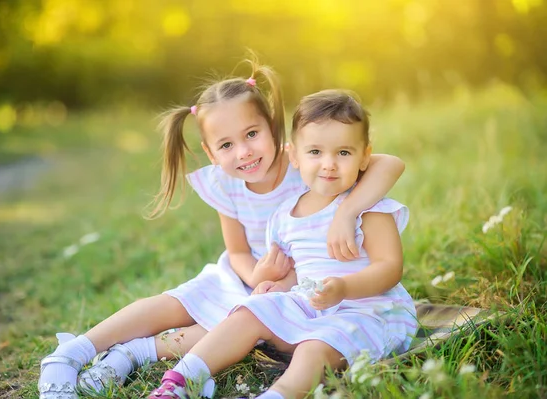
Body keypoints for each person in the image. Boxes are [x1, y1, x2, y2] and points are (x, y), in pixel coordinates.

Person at [37, 59, 406, 399]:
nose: (243, 152)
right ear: (211, 153)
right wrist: (259, 275)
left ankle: (130, 355)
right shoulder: (228, 182)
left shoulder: (311, 160)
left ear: (274, 130)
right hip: (251, 273)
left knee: (229, 325)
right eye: (226, 145)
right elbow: (238, 250)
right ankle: (73, 352)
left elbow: (387, 163)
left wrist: (348, 213)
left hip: (296, 284)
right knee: (174, 304)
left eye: (251, 134)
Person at [147, 89, 417, 399]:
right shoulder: (285, 215)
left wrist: (344, 289)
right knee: (250, 312)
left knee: (313, 348)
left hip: (368, 313)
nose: (329, 164)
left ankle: (279, 394)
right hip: (310, 307)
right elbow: (298, 270)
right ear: (295, 157)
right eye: (315, 152)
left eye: (343, 153)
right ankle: (182, 380)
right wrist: (277, 287)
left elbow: (390, 268)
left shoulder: (370, 208)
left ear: (365, 156)